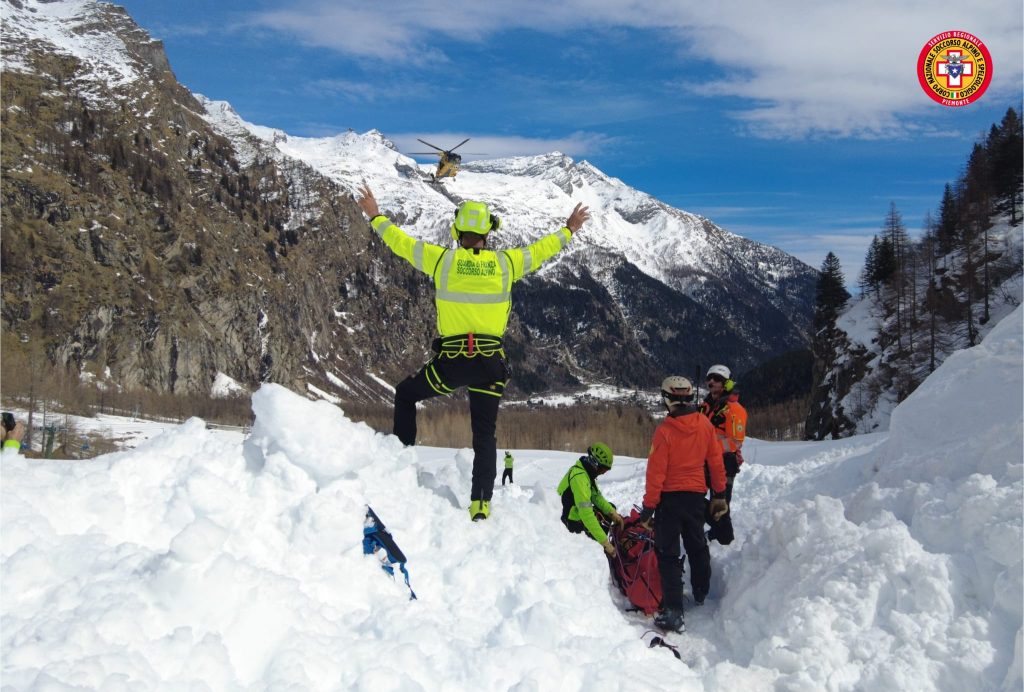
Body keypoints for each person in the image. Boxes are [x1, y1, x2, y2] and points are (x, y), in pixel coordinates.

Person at [356, 183, 589, 521]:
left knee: (406, 394)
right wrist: (569, 229)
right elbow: (542, 250)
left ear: (457, 230)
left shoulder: (442, 260)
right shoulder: (507, 264)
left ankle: (400, 465)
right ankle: (481, 503)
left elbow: (400, 243)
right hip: (490, 365)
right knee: (484, 434)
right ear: (488, 233)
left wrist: (376, 216)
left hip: (451, 363)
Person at [637, 376, 728, 633]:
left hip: (669, 501)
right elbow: (715, 463)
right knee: (697, 545)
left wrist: (648, 507)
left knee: (668, 554)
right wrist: (718, 494)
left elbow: (656, 474)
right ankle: (701, 591)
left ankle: (674, 611)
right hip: (696, 498)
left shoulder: (665, 431)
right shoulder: (705, 425)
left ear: (667, 399)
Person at [700, 364, 747, 543]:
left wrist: (711, 448)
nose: (712, 382)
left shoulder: (734, 410)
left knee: (720, 505)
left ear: (726, 383)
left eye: (717, 379)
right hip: (705, 461)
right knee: (694, 497)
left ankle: (725, 539)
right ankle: (717, 532)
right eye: (709, 378)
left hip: (725, 463)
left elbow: (735, 442)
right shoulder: (706, 406)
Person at [556, 443, 625, 556]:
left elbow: (596, 497)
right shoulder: (580, 478)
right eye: (603, 469)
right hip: (568, 521)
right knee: (595, 520)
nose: (603, 473)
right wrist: (605, 543)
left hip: (575, 512)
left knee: (609, 508)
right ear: (595, 464)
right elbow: (586, 515)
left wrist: (613, 514)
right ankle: (596, 552)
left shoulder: (586, 472)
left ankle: (600, 542)